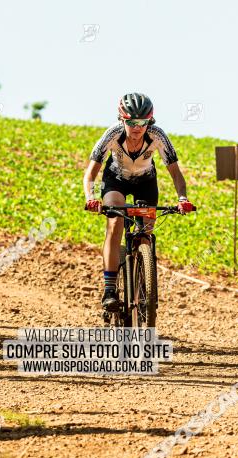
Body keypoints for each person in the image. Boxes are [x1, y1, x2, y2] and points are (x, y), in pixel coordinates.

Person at [82, 92, 194, 310]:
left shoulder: (158, 136)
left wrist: (182, 198)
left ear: (149, 121)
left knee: (146, 232)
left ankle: (144, 287)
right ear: (122, 120)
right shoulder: (112, 135)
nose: (137, 128)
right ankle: (110, 290)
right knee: (115, 222)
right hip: (116, 181)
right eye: (131, 122)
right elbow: (90, 174)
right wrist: (91, 198)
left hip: (145, 183)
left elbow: (176, 174)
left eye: (142, 122)